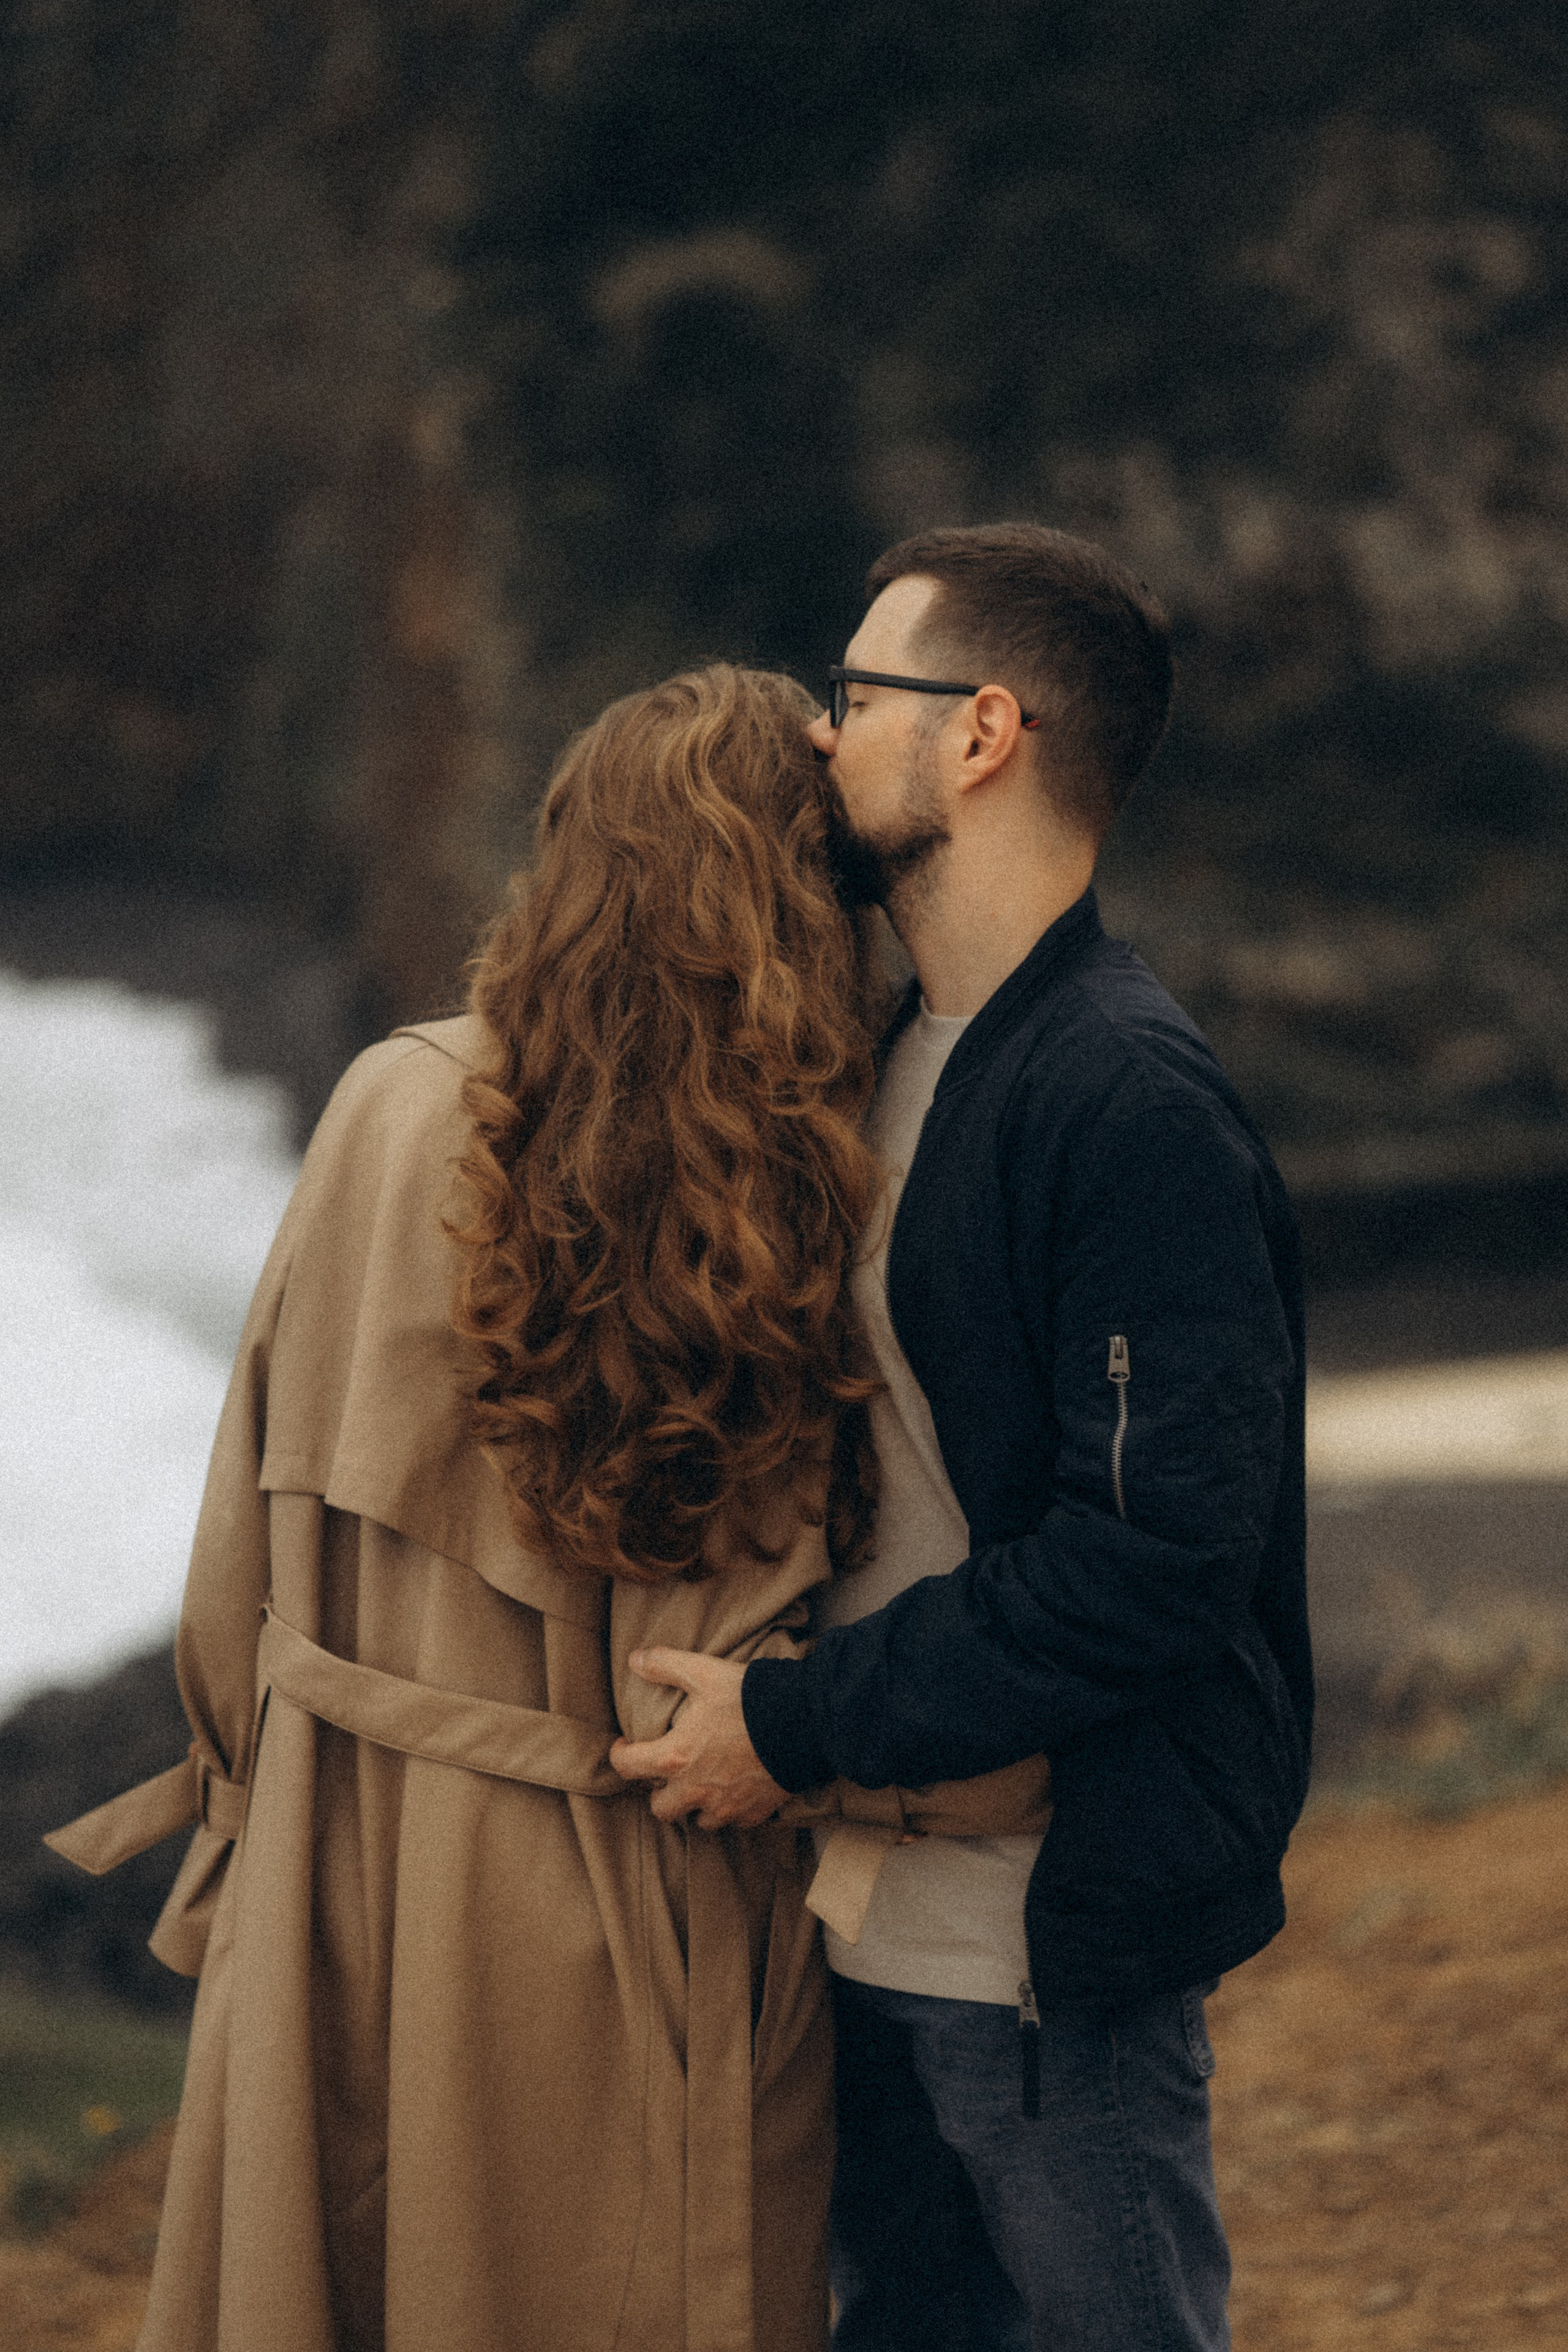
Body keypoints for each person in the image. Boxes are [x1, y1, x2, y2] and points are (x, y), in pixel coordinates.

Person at [45, 666, 899, 2352]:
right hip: (663, 1885)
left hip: (354, 1858)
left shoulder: (385, 1103)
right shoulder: (826, 1174)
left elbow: (243, 1540)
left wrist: (248, 1795)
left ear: (567, 859)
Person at [612, 525, 1314, 2351]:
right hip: (859, 1921)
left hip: (1036, 1960)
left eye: (857, 696)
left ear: (983, 730)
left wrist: (791, 1723)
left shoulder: (1124, 1098)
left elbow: (1159, 1556)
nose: (820, 739)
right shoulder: (899, 1053)